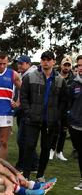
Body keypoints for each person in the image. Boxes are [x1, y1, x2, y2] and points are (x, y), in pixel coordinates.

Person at [19, 51, 68, 181]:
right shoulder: (29, 77)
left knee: (46, 149)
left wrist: (57, 115)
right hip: (33, 119)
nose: (46, 62)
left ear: (54, 62)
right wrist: (28, 112)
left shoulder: (59, 80)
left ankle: (40, 175)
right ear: (40, 61)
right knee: (29, 147)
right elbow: (23, 97)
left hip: (50, 121)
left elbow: (64, 101)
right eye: (43, 59)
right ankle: (26, 175)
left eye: (48, 59)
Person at [50, 55, 75, 161]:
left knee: (64, 131)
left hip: (67, 109)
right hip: (55, 107)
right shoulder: (54, 76)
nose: (66, 67)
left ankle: (59, 152)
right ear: (61, 66)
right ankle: (51, 150)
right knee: (54, 130)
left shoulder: (73, 79)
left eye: (69, 65)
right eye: (65, 65)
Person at [70, 55, 82, 190]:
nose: (81, 68)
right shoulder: (73, 85)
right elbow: (69, 104)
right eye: (79, 65)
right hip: (76, 126)